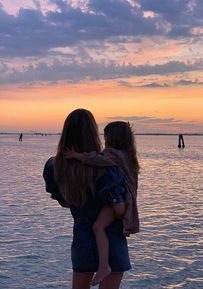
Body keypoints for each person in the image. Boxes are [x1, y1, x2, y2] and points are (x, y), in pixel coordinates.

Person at [43, 109, 131, 289]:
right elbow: (119, 209)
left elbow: (64, 202)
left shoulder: (55, 166)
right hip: (112, 241)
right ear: (93, 133)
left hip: (82, 240)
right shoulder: (109, 167)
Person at [64, 121, 140, 286]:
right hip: (126, 202)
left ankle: (104, 266)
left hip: (118, 201)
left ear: (111, 138)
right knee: (100, 227)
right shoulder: (129, 156)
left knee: (98, 227)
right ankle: (104, 266)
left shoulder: (113, 155)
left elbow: (97, 159)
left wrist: (77, 156)